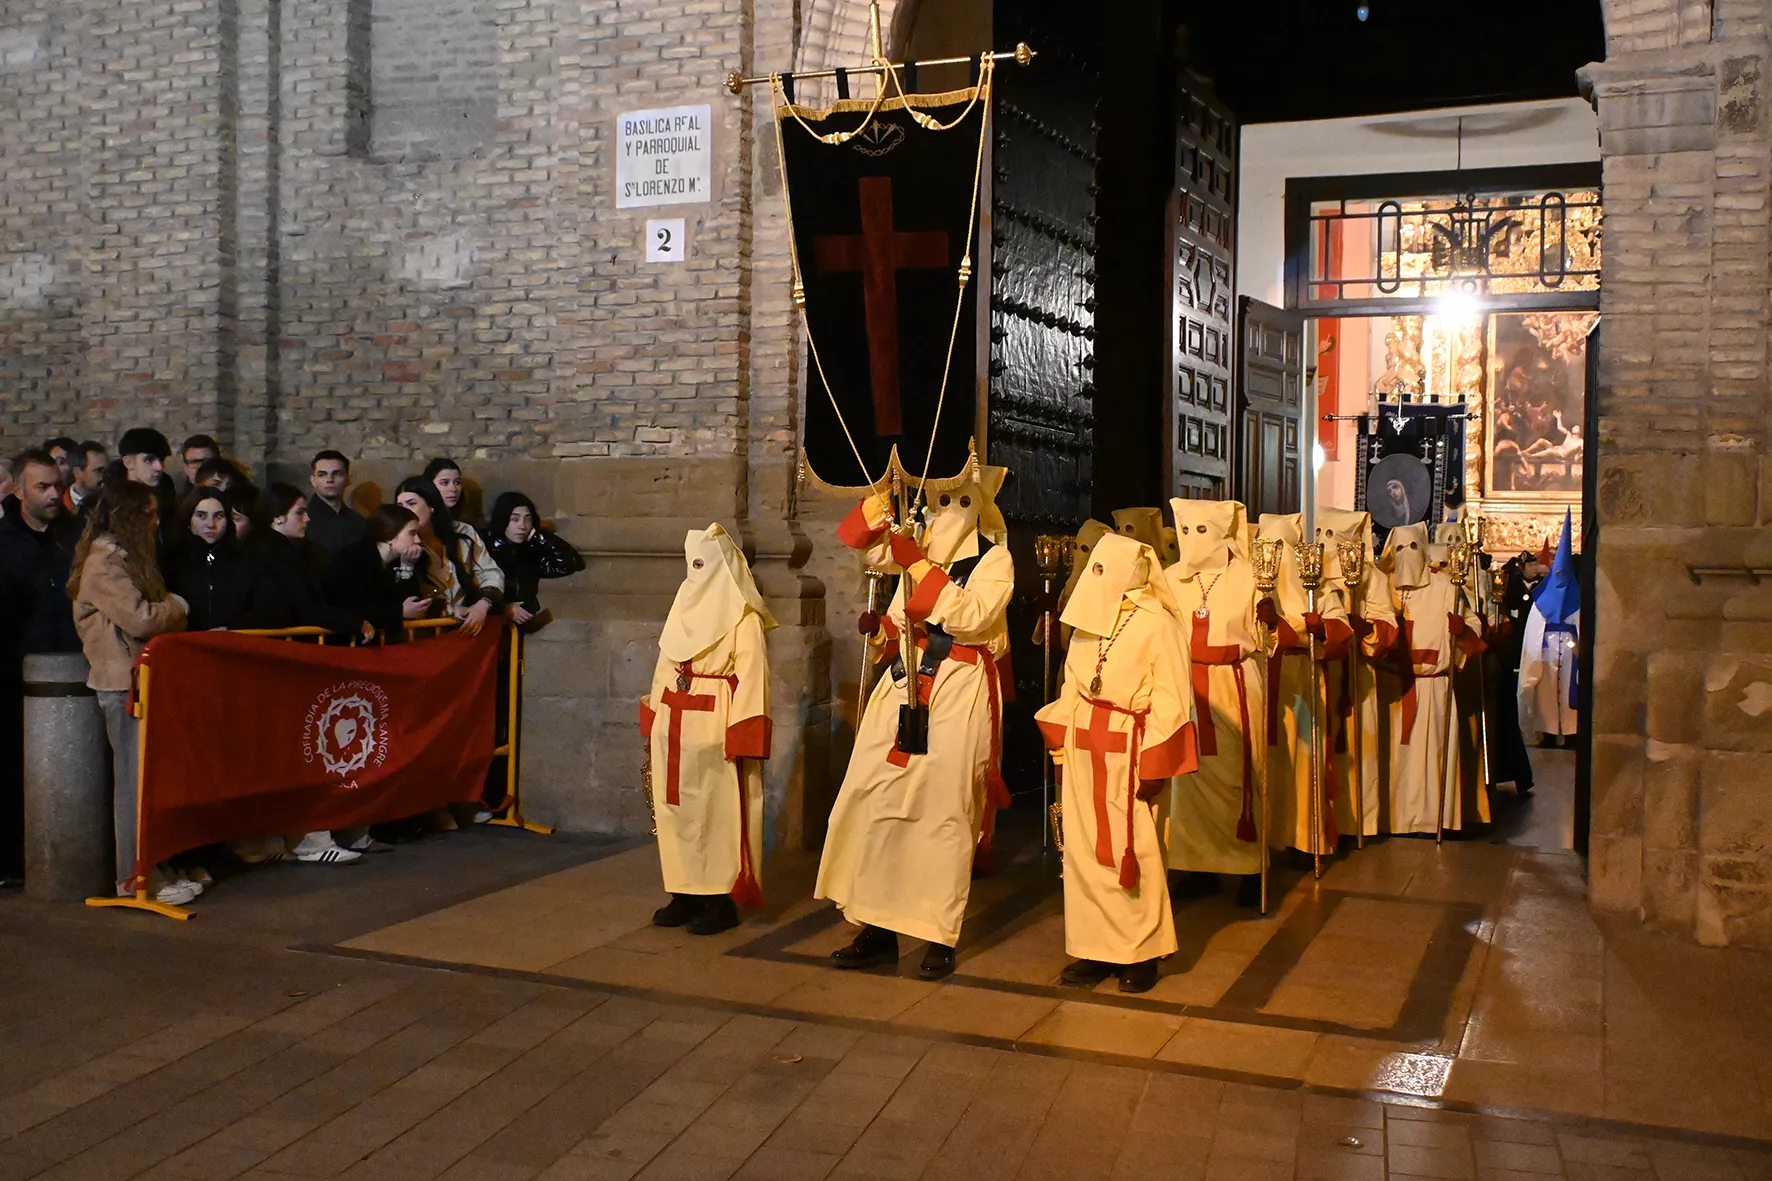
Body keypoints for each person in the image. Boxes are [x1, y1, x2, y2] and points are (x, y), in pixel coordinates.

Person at [815, 462, 1014, 980]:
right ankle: (877, 930)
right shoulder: (915, 540)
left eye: (958, 501)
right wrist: (888, 491)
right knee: (875, 796)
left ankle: (937, 935)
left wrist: (921, 567)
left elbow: (969, 617)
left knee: (943, 812)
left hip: (959, 688)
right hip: (904, 683)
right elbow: (860, 540)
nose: (947, 512)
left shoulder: (997, 561)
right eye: (940, 500)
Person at [1040, 533, 1197, 993]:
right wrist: (1062, 743)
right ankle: (1094, 948)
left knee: (1135, 847)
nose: (1095, 576)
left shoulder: (1158, 625)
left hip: (1130, 746)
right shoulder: (1092, 615)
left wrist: (1154, 764)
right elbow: (1072, 682)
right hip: (1086, 742)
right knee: (1084, 851)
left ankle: (1141, 952)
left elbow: (1172, 697)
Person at [642, 524, 775, 936]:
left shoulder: (743, 617)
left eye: (703, 564)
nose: (695, 573)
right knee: (676, 810)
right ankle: (684, 891)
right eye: (691, 565)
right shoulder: (681, 607)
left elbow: (754, 677)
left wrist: (745, 732)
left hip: (718, 721)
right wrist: (654, 720)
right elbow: (666, 665)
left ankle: (718, 899)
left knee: (717, 813)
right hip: (676, 722)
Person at [68, 481, 193, 904]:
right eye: (149, 513)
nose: (155, 521)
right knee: (132, 785)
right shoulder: (105, 562)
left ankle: (150, 867)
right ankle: (132, 877)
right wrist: (178, 606)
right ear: (127, 516)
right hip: (122, 685)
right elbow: (141, 620)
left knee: (148, 782)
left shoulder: (125, 558)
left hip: (140, 682)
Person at [1160, 499, 1266, 905]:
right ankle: (1192, 866)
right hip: (1185, 687)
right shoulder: (1170, 578)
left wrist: (1270, 622)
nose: (1189, 539)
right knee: (1186, 782)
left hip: (1233, 686)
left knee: (1241, 776)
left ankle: (1248, 867)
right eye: (1184, 530)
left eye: (1200, 531)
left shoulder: (1250, 576)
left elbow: (1265, 638)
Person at [0, 450, 83, 884]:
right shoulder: (3, 542)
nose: (54, 495)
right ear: (17, 490)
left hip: (74, 673)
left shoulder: (75, 536)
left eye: (58, 486)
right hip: (15, 676)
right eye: (43, 487)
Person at [1379, 523, 1487, 834]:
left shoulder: (1446, 588)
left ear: (1425, 551)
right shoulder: (1383, 586)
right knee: (1395, 760)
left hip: (1435, 685)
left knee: (1432, 756)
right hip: (1394, 688)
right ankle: (1393, 821)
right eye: (1399, 548)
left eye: (1413, 547)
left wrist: (1462, 631)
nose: (1406, 555)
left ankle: (1431, 820)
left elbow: (1474, 628)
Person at [1256, 513, 1352, 860]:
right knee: (1267, 761)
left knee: (1303, 760)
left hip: (1304, 678)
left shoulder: (1318, 588)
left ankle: (1303, 838)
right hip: (1264, 680)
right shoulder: (1252, 586)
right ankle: (1264, 840)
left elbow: (1341, 628)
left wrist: (1321, 627)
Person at [1315, 507, 1396, 840]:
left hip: (1356, 675)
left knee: (1357, 749)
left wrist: (1365, 628)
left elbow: (1386, 625)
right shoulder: (1313, 571)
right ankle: (1319, 824)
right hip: (1321, 670)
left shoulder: (1370, 577)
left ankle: (1357, 822)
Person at [246, 484, 371, 641]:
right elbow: (304, 608)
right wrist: (355, 623)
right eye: (300, 512)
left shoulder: (274, 548)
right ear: (277, 516)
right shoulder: (275, 553)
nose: (307, 518)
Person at [393, 476, 503, 636]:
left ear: (431, 505)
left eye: (411, 503)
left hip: (469, 629)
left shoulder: (462, 532)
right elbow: (407, 598)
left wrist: (483, 604)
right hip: (427, 636)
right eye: (399, 506)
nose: (404, 512)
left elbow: (490, 572)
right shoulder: (402, 544)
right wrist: (451, 610)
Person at [320, 504, 434, 636]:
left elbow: (408, 599)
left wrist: (407, 567)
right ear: (390, 533)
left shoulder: (404, 559)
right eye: (412, 533)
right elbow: (348, 606)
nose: (418, 540)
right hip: (348, 641)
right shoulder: (354, 558)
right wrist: (399, 612)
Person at [1518, 511, 1579, 746]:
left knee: (1567, 691)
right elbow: (1533, 634)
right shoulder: (1540, 604)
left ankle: (1571, 731)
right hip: (1547, 652)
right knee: (1547, 692)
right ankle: (1548, 730)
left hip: (1570, 652)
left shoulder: (1578, 601)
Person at [485, 491, 584, 628]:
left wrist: (539, 537)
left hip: (525, 621)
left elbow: (571, 563)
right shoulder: (486, 548)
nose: (522, 526)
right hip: (490, 623)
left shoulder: (531, 549)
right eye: (515, 519)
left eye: (528, 519)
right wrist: (503, 608)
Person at [163, 487, 255, 632]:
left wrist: (233, 627)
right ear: (188, 519)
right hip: (185, 644)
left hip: (231, 643)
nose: (211, 524)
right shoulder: (171, 560)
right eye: (201, 515)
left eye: (218, 516)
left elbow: (260, 607)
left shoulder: (244, 559)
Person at [114, 427, 177, 537]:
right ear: (128, 463)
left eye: (161, 459)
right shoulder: (108, 502)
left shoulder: (167, 494)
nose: (159, 467)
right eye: (149, 460)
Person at [307, 450, 366, 556]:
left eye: (337, 473)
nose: (330, 479)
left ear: (348, 479)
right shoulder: (303, 519)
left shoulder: (359, 522)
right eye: (322, 474)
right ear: (313, 480)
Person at [64, 441, 106, 515]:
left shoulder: (111, 504)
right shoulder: (60, 505)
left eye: (105, 470)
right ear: (77, 472)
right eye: (98, 470)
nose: (103, 475)